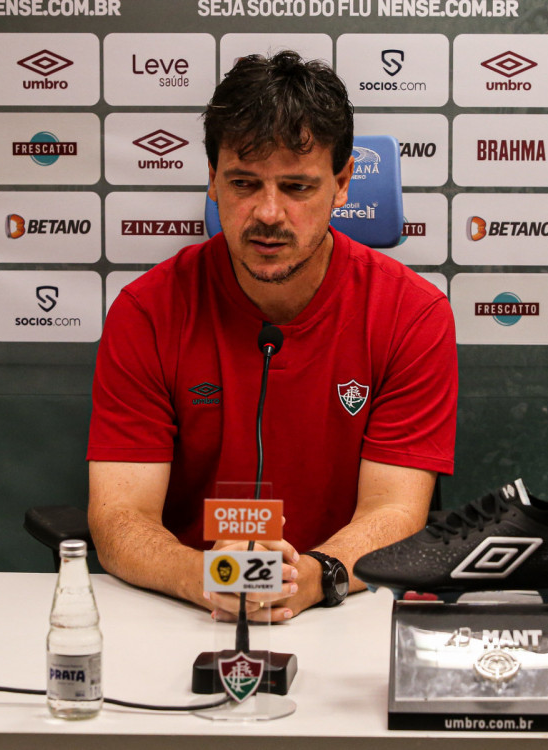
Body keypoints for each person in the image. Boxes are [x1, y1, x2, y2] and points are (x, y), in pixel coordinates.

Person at [86, 51, 457, 622]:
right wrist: (208, 577)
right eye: (243, 182)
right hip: (184, 611)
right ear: (211, 179)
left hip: (343, 609)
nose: (267, 212)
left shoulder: (413, 313)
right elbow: (119, 518)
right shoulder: (147, 310)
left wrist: (311, 577)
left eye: (296, 187)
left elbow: (394, 512)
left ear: (341, 184)